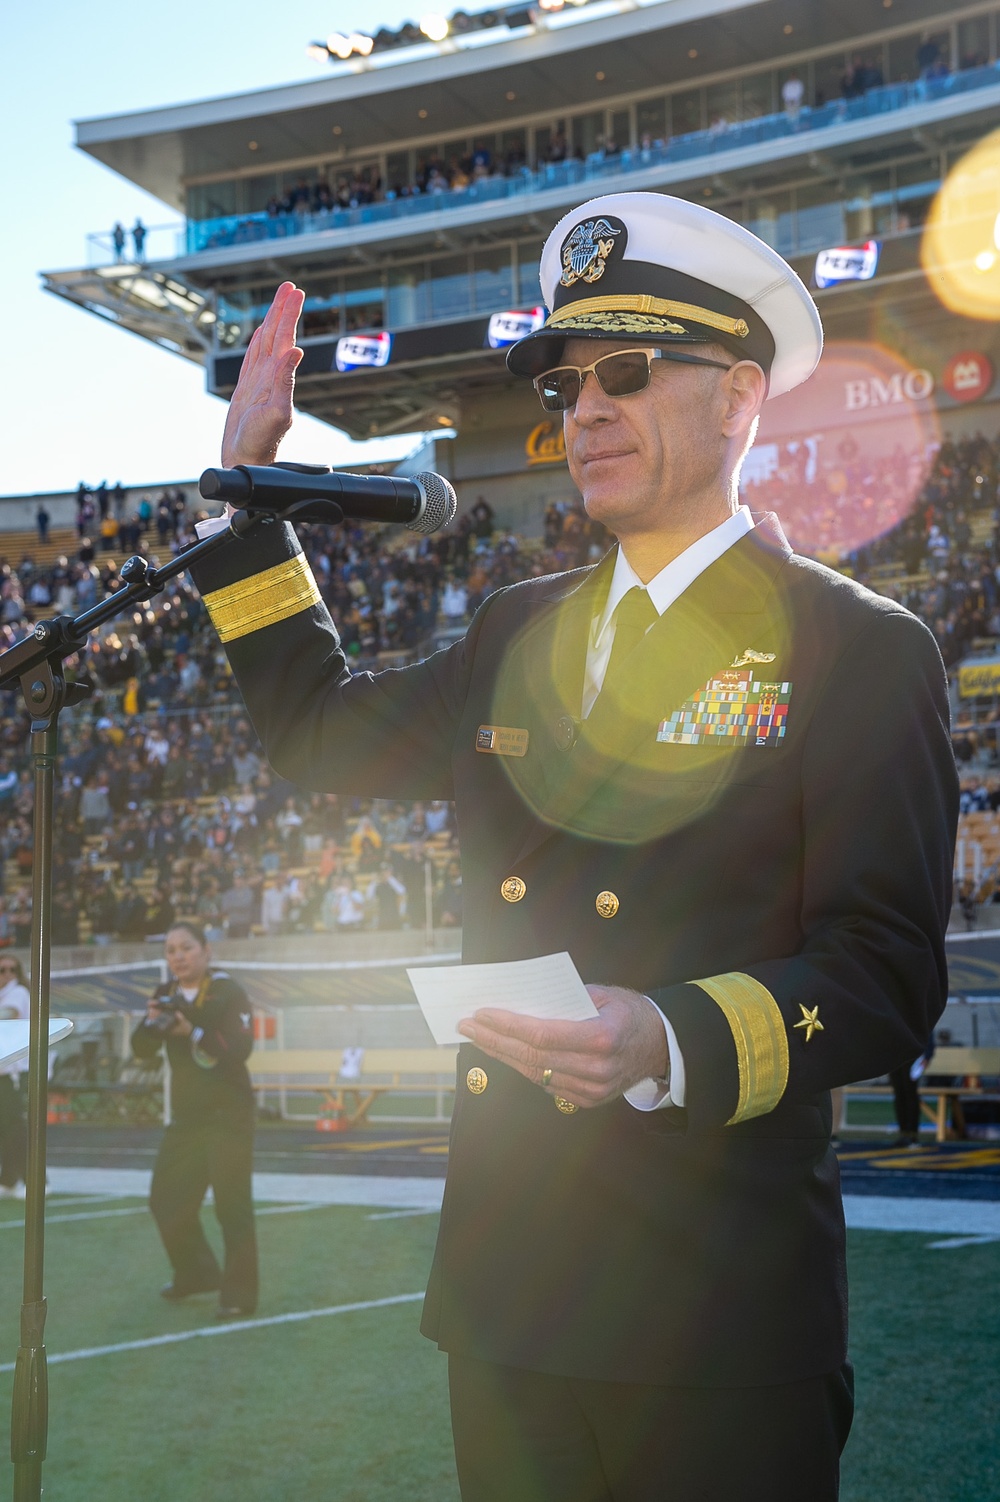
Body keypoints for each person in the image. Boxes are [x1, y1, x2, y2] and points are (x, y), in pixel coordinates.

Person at [190, 192, 956, 1500]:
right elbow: (318, 734)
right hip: (510, 1298)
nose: (581, 405)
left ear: (739, 400)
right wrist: (250, 504)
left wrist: (666, 1036)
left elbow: (884, 973)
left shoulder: (860, 647)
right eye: (562, 377)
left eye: (624, 372)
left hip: (717, 1316)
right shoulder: (510, 632)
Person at [131, 922, 257, 1318]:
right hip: (187, 1117)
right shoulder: (164, 994)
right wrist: (153, 1023)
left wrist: (193, 1030)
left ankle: (239, 1296)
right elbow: (141, 1050)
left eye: (186, 948)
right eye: (171, 950)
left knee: (231, 1206)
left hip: (228, 1115)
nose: (178, 956)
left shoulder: (227, 991)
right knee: (165, 1200)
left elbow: (239, 1048)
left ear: (206, 952)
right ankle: (197, 1273)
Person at [0, 956, 30, 1199]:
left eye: (12, 969)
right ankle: (10, 1180)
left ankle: (24, 1180)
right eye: (2, 969)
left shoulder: (18, 991)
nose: (7, 974)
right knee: (9, 1129)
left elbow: (8, 1014)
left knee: (13, 1128)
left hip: (11, 1073)